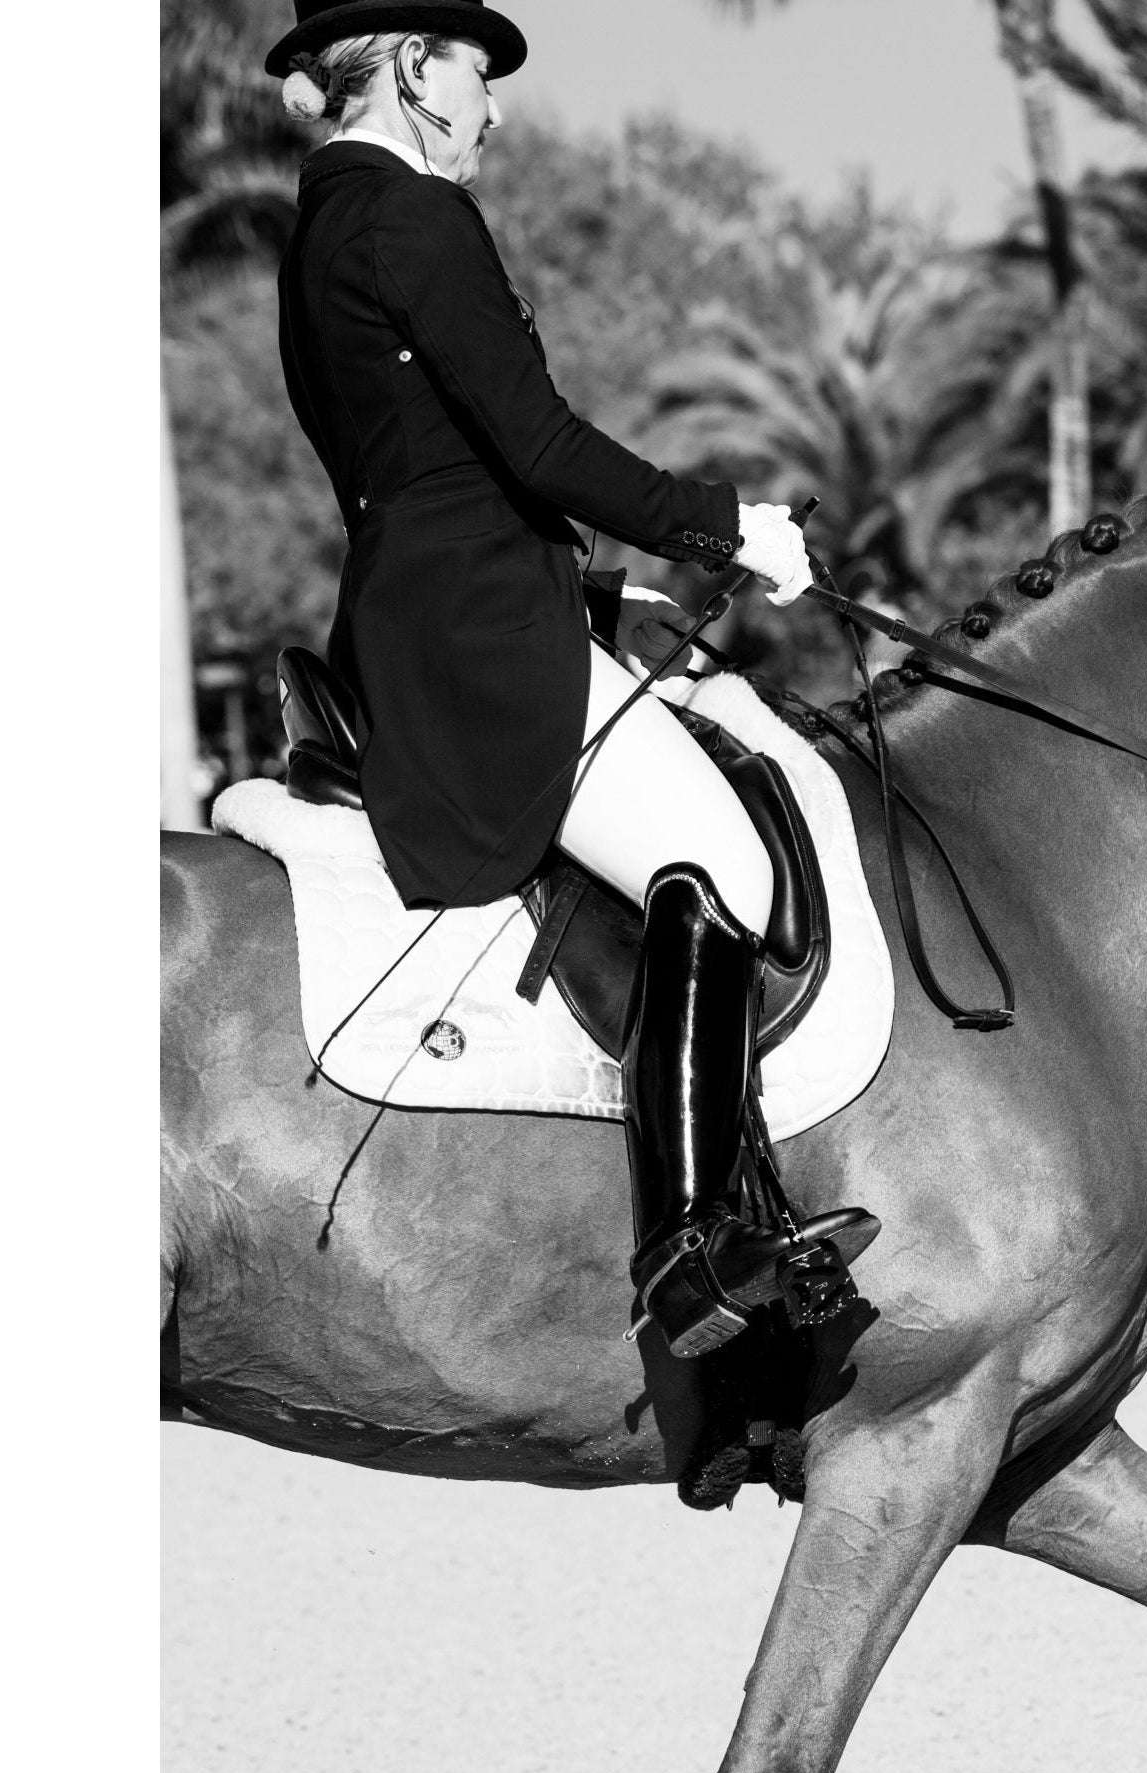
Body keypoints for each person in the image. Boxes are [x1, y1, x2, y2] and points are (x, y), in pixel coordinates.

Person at [264, 1, 872, 1357]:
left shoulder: (319, 230)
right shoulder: (418, 220)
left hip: (431, 613)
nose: (496, 107)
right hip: (483, 644)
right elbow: (538, 446)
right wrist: (725, 524)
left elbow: (427, 471)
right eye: (477, 74)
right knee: (728, 869)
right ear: (416, 67)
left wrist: (594, 582)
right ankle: (702, 1244)